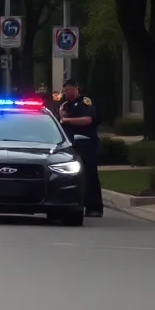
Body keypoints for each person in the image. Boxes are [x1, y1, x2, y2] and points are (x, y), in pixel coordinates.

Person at [58, 78, 103, 217]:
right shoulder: (65, 105)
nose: (66, 93)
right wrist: (62, 114)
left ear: (76, 88)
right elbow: (60, 121)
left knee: (90, 176)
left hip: (87, 145)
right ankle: (73, 205)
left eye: (68, 90)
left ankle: (94, 207)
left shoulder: (85, 102)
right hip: (71, 146)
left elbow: (87, 120)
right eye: (64, 90)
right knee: (71, 176)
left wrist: (68, 120)